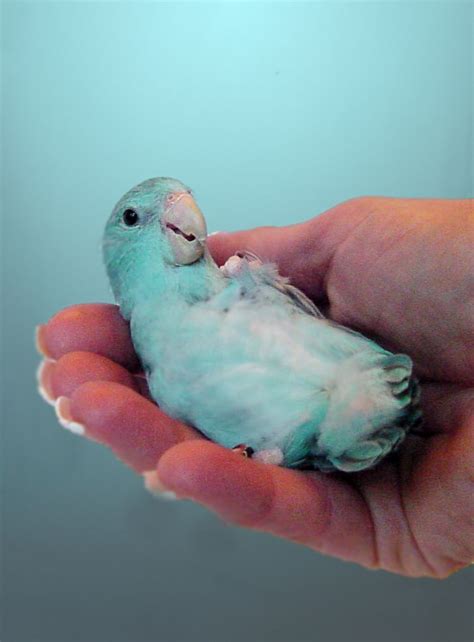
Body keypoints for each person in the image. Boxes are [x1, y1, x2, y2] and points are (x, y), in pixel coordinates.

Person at [36, 196, 473, 578]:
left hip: (365, 379)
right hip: (327, 433)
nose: (179, 209)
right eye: (135, 217)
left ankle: (354, 414)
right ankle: (331, 432)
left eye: (177, 200)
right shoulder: (165, 380)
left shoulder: (240, 278)